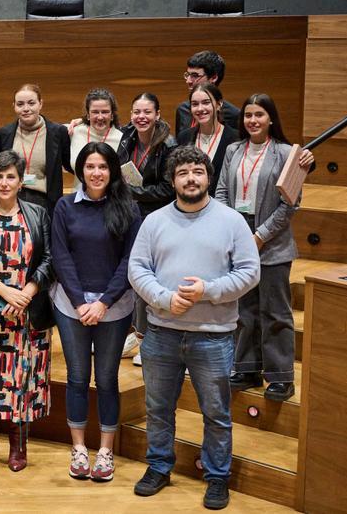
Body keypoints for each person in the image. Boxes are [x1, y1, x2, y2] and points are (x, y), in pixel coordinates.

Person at [128, 145, 260, 510]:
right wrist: (164, 299)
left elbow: (250, 273)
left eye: (197, 172)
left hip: (214, 337)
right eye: (183, 173)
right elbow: (137, 270)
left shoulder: (232, 221)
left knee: (216, 413)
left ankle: (217, 477)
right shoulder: (154, 221)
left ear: (208, 177)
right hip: (162, 333)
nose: (191, 178)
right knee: (158, 408)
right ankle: (158, 467)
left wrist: (208, 291)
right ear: (173, 180)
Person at [50, 143, 141, 482]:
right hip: (71, 306)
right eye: (90, 166)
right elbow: (61, 257)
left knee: (106, 379)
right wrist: (79, 303)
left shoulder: (128, 208)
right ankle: (78, 449)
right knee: (76, 377)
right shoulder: (64, 206)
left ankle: (105, 451)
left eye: (103, 166)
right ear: (80, 170)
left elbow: (129, 261)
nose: (96, 173)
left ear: (112, 170)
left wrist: (102, 303)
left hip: (113, 308)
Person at [0, 150, 55, 473]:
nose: (5, 183)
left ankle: (18, 444)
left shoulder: (37, 212)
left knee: (22, 378)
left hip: (27, 313)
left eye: (10, 177)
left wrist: (28, 293)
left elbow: (49, 259)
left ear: (21, 180)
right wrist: (4, 292)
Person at [217, 94, 309, 403]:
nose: (253, 120)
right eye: (248, 115)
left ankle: (281, 376)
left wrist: (260, 235)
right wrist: (231, 228)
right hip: (237, 232)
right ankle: (246, 368)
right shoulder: (233, 150)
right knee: (245, 310)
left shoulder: (286, 153)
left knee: (276, 312)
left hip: (273, 242)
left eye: (259, 114)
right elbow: (221, 191)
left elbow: (290, 204)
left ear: (271, 118)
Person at [116, 93, 177, 365]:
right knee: (131, 276)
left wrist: (133, 191)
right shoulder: (127, 138)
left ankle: (147, 336)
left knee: (147, 277)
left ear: (158, 114)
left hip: (155, 218)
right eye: (136, 111)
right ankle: (137, 332)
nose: (141, 117)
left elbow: (167, 189)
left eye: (147, 112)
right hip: (130, 215)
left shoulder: (168, 145)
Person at [0, 83, 71, 212]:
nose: (26, 108)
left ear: (41, 104)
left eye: (31, 103)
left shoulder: (58, 132)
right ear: (14, 106)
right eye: (20, 104)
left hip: (45, 203)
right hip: (11, 201)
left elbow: (71, 165)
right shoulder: (3, 134)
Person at [176, 83, 238, 195]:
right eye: (195, 104)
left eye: (206, 102)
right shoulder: (184, 137)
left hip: (222, 207)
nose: (200, 109)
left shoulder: (235, 139)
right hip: (190, 204)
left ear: (219, 104)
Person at [175, 50, 241, 136]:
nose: (188, 81)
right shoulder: (182, 109)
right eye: (188, 75)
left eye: (194, 75)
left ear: (213, 78)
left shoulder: (234, 115)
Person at [68, 88, 123, 175]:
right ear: (88, 115)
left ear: (112, 115)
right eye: (95, 112)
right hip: (79, 188)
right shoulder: (73, 131)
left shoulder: (122, 140)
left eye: (105, 112)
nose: (100, 117)